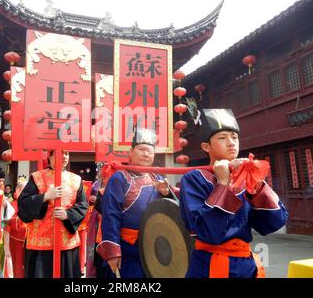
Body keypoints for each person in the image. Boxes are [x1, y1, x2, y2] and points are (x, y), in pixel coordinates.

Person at [179, 109, 288, 278]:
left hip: (246, 264)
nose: (231, 143)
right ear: (206, 146)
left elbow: (275, 222)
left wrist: (255, 183)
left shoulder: (245, 176)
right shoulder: (194, 178)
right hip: (209, 264)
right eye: (222, 138)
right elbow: (208, 232)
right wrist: (223, 184)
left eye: (234, 137)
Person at [96, 128, 176, 278]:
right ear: (131, 151)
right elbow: (110, 215)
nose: (146, 154)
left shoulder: (156, 176)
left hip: (154, 249)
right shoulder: (120, 178)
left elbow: (172, 207)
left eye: (150, 151)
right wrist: (113, 251)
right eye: (141, 149)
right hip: (127, 251)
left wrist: (167, 193)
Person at [18, 150, 89, 278]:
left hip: (66, 242)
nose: (64, 157)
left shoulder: (76, 179)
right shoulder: (37, 177)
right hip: (40, 242)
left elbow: (83, 205)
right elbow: (23, 204)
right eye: (59, 153)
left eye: (66, 153)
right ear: (50, 157)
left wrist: (68, 214)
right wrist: (45, 197)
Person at [4, 176, 28, 278]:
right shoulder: (12, 204)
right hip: (16, 239)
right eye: (24, 189)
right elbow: (10, 220)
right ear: (18, 191)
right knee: (17, 265)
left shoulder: (30, 203)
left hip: (30, 238)